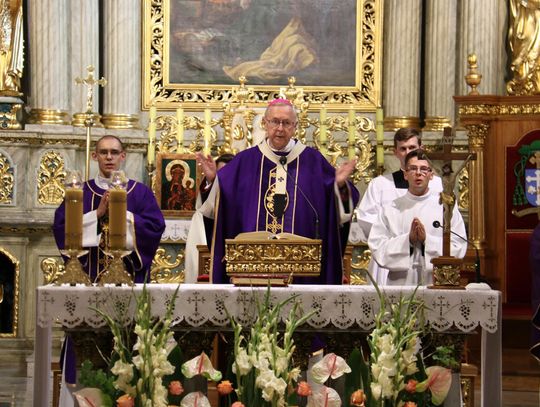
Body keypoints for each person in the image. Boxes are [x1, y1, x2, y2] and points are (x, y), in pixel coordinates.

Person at [197, 98, 359, 284]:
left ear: (295, 126)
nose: (280, 128)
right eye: (274, 121)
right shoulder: (245, 161)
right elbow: (219, 205)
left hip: (302, 271)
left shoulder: (313, 161)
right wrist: (212, 180)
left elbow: (339, 210)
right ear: (265, 124)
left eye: (286, 123)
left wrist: (338, 186)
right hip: (252, 267)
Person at [53, 135, 165, 283]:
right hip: (89, 277)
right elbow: (61, 227)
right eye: (103, 152)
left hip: (128, 277)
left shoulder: (140, 192)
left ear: (122, 156)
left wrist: (121, 214)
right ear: (95, 156)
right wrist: (96, 215)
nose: (109, 157)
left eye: (114, 152)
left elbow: (155, 227)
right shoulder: (81, 191)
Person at [356, 128, 443, 285]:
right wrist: (399, 236)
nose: (407, 152)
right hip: (391, 259)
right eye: (403, 149)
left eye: (412, 148)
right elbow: (366, 218)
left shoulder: (438, 184)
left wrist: (424, 237)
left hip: (429, 261)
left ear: (421, 149)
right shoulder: (380, 184)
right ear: (395, 152)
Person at [368, 150, 467, 286]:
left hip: (436, 280)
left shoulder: (445, 207)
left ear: (431, 175)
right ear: (405, 174)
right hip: (400, 281)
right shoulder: (391, 208)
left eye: (424, 169)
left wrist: (427, 240)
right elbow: (377, 247)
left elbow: (459, 245)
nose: (418, 173)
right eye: (413, 168)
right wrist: (408, 240)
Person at [184, 153, 234, 283]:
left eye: (229, 172)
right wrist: (212, 181)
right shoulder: (213, 188)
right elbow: (208, 210)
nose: (224, 178)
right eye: (221, 173)